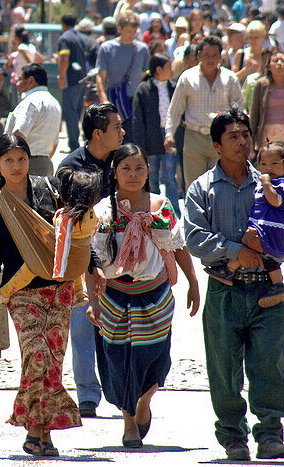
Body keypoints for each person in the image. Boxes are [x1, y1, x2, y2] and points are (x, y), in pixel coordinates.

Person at [0, 134, 99, 457]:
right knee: (37, 354)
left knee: (53, 362)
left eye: (21, 159)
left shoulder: (50, 190)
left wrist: (91, 265)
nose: (16, 166)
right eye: (8, 160)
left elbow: (75, 233)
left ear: (29, 160)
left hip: (59, 289)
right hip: (23, 293)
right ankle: (33, 426)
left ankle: (43, 432)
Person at [183, 105, 284, 461]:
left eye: (245, 135)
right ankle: (233, 436)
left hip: (267, 289)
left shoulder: (270, 183)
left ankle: (270, 433)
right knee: (224, 368)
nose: (242, 142)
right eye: (232, 136)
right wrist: (235, 250)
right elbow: (194, 237)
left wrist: (269, 248)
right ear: (216, 145)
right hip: (223, 290)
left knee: (267, 364)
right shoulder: (202, 189)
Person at [90, 144, 199, 448]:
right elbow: (93, 261)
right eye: (126, 168)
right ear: (114, 174)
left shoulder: (160, 206)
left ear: (149, 171)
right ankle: (128, 423)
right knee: (118, 361)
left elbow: (177, 246)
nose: (133, 174)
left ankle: (144, 403)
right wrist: (93, 302)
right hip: (114, 297)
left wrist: (192, 281)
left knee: (155, 358)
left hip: (155, 296)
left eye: (139, 168)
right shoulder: (103, 212)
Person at [57, 103, 124, 418]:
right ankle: (87, 395)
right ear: (98, 133)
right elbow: (68, 222)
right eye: (116, 128)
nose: (122, 133)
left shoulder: (123, 162)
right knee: (83, 326)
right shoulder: (70, 167)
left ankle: (119, 389)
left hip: (119, 257)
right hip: (82, 256)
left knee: (117, 327)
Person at [204, 141, 284, 309]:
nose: (268, 168)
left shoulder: (283, 184)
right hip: (269, 227)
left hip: (272, 229)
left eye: (274, 163)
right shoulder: (272, 182)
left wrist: (265, 183)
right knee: (268, 258)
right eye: (263, 164)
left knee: (248, 240)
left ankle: (228, 270)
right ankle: (278, 284)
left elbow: (275, 201)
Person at [165, 35, 244, 187]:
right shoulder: (187, 78)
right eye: (206, 55)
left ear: (220, 56)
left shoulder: (230, 78)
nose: (210, 60)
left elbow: (239, 109)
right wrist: (169, 134)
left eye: (215, 56)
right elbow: (175, 109)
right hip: (194, 137)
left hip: (222, 139)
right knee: (194, 186)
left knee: (223, 184)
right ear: (199, 55)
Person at [131, 55, 180, 213]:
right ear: (158, 70)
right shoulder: (144, 90)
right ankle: (153, 212)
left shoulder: (174, 88)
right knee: (151, 179)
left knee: (170, 178)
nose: (172, 70)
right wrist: (141, 147)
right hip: (150, 140)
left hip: (168, 138)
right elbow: (137, 120)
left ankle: (172, 213)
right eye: (168, 66)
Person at [96, 9, 149, 136]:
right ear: (120, 28)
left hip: (135, 102)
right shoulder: (107, 48)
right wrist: (104, 100)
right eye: (129, 31)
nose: (132, 34)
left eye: (135, 31)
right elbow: (100, 77)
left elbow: (145, 74)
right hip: (114, 100)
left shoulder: (142, 49)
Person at [3, 63, 61, 176]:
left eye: (20, 79)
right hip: (45, 165)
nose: (17, 84)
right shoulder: (55, 103)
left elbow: (18, 135)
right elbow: (55, 143)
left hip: (25, 165)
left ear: (31, 81)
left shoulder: (30, 102)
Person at [57, 13, 92, 150]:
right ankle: (78, 142)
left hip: (70, 80)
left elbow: (65, 58)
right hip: (81, 80)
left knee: (70, 112)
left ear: (63, 24)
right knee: (77, 112)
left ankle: (74, 145)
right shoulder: (80, 37)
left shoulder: (64, 38)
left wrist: (61, 76)